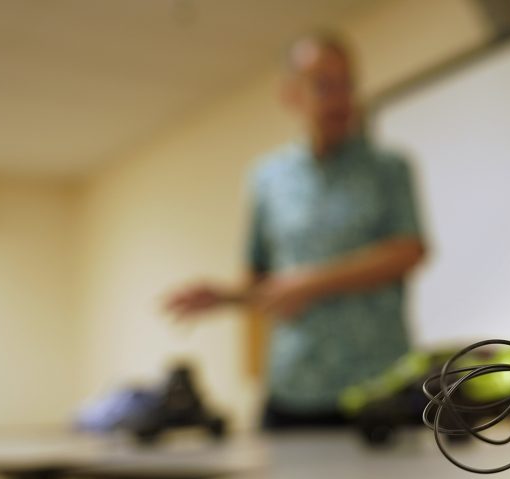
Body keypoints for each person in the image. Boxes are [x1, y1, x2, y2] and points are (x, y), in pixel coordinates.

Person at [166, 32, 426, 429]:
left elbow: (409, 250)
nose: (339, 98)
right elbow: (264, 281)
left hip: (380, 385)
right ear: (290, 93)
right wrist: (226, 296)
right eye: (324, 85)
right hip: (293, 388)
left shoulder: (388, 169)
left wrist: (310, 282)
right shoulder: (268, 179)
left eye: (346, 84)